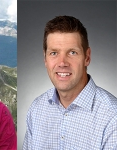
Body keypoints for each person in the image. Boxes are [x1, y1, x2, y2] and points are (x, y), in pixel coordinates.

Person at [23, 15, 117, 149]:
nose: (62, 63)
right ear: (45, 58)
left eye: (72, 52)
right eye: (54, 53)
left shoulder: (112, 118)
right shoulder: (37, 109)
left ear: (87, 57)